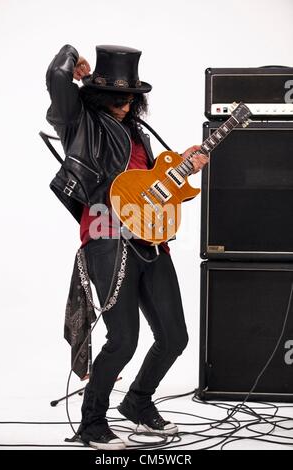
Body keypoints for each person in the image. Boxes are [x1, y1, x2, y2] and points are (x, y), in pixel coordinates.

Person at [45, 44, 208, 450]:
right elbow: (55, 78)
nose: (125, 104)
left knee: (174, 336)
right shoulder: (79, 123)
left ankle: (137, 403)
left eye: (132, 97)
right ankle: (92, 423)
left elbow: (150, 187)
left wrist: (182, 169)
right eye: (117, 97)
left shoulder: (138, 132)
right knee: (124, 339)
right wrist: (73, 61)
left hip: (150, 239)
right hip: (107, 238)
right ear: (98, 94)